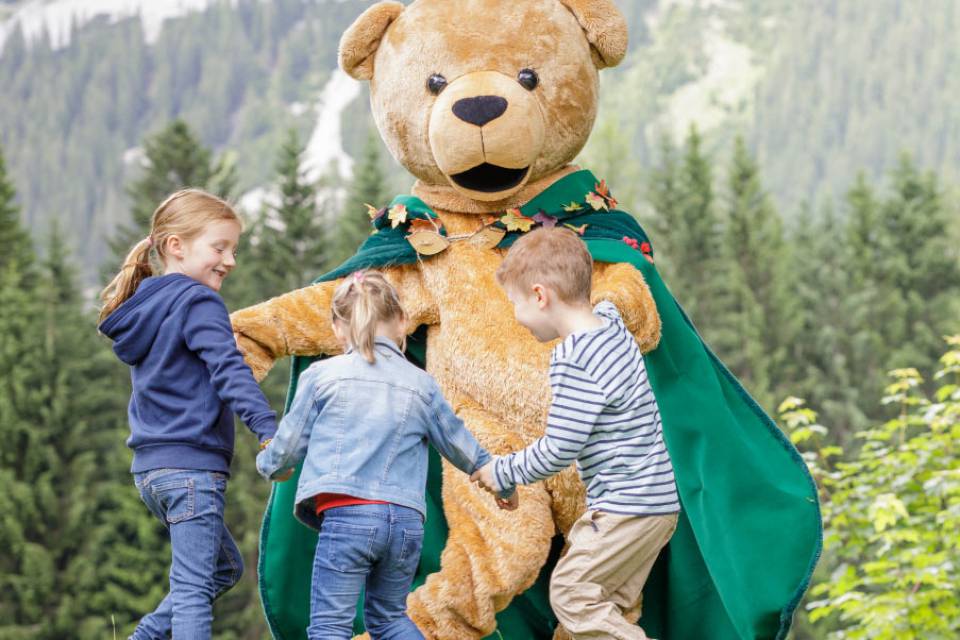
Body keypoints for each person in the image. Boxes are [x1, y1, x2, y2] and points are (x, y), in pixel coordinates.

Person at [256, 270, 516, 640]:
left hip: (348, 518)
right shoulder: (421, 384)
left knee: (330, 626)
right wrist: (501, 484)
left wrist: (270, 466)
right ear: (402, 322)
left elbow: (288, 447)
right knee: (389, 621)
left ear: (338, 328)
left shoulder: (322, 376)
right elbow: (461, 444)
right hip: (406, 526)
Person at [471, 227, 680, 640]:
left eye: (515, 303)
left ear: (540, 295)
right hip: (657, 504)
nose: (515, 315)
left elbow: (559, 449)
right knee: (608, 609)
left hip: (624, 506)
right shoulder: (611, 326)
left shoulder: (574, 356)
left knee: (570, 593)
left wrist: (504, 472)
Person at [98, 188, 277, 639]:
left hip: (152, 472)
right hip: (192, 468)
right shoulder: (198, 302)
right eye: (219, 247)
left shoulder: (149, 306)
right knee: (196, 586)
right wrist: (268, 428)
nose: (230, 260)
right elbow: (228, 371)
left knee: (222, 568)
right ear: (175, 245)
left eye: (233, 249)